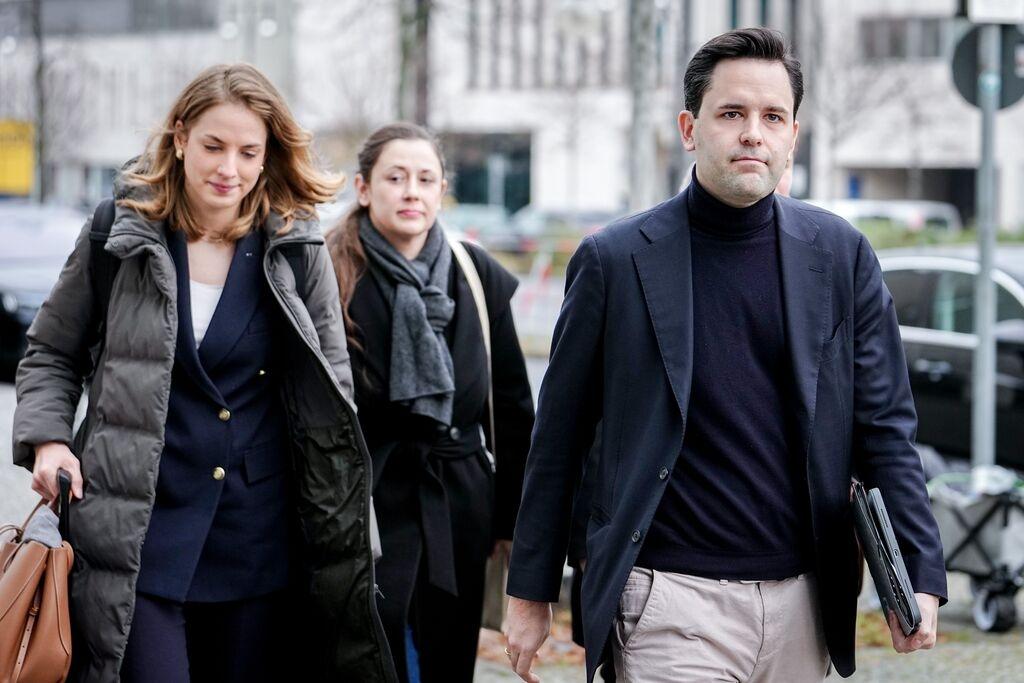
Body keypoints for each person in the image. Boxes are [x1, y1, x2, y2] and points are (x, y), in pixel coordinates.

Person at [503, 28, 947, 683]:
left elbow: (885, 426)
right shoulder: (615, 261)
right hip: (666, 601)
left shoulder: (842, 257)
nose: (753, 133)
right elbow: (558, 436)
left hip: (805, 602)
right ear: (690, 127)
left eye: (772, 117)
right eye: (731, 113)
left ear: (794, 136)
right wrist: (529, 589)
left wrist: (920, 568)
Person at [13, 63, 396, 682]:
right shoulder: (121, 231)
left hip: (259, 535)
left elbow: (332, 388)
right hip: (139, 526)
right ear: (182, 135)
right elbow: (52, 351)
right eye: (215, 146)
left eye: (249, 152)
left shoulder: (296, 244)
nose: (230, 169)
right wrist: (49, 441)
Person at [324, 123, 535, 683]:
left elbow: (513, 410)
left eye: (425, 179)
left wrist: (514, 523)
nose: (411, 191)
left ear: (443, 190)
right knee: (377, 656)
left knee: (446, 658)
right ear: (364, 188)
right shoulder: (327, 274)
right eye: (395, 178)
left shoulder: (477, 273)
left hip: (460, 504)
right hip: (366, 504)